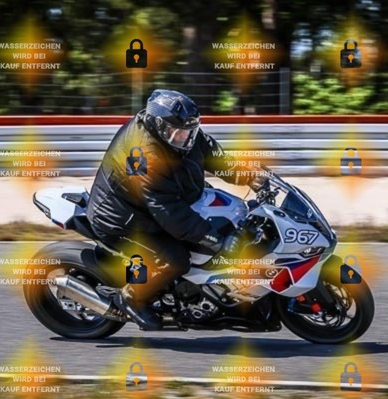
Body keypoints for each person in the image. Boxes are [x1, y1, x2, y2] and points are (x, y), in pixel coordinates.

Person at [87, 89, 268, 330]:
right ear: (158, 125)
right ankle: (131, 297)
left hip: (161, 202)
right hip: (124, 218)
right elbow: (168, 210)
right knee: (175, 260)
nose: (185, 137)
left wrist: (248, 175)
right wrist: (215, 239)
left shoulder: (180, 132)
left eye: (189, 131)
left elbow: (211, 153)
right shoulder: (143, 154)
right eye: (179, 133)